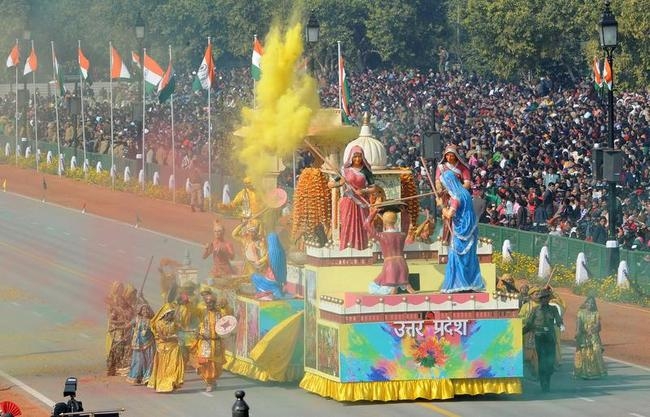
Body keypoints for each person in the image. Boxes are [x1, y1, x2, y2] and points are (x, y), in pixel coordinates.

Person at [438, 170, 485, 293]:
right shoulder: (465, 193)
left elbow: (449, 214)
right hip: (470, 229)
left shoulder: (456, 197)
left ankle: (458, 284)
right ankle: (470, 283)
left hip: (460, 232)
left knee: (456, 257)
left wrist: (441, 206)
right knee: (470, 258)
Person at [329, 145, 376, 250]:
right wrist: (340, 183)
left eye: (359, 156)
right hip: (348, 201)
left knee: (362, 225)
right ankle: (346, 248)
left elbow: (373, 188)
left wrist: (363, 190)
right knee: (348, 225)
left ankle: (362, 248)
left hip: (362, 203)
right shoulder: (344, 170)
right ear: (351, 157)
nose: (357, 159)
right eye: (355, 157)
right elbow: (330, 184)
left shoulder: (366, 171)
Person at [365, 205, 415, 295]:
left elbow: (366, 225)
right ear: (395, 221)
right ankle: (403, 287)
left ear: (384, 221)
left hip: (390, 266)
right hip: (402, 265)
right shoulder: (402, 234)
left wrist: (374, 213)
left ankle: (394, 289)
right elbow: (406, 224)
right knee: (395, 288)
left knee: (373, 288)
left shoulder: (382, 236)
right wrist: (404, 213)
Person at [523, 287, 565, 393]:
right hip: (539, 337)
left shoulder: (553, 309)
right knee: (542, 362)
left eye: (546, 298)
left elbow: (558, 319)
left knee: (550, 363)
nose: (544, 300)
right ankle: (544, 384)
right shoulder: (535, 310)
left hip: (550, 337)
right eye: (542, 298)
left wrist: (561, 325)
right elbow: (529, 324)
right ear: (540, 300)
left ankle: (547, 378)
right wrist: (520, 332)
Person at [194, 289, 232, 392]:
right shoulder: (202, 311)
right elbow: (193, 311)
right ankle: (209, 382)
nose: (209, 304)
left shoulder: (220, 312)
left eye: (211, 302)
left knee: (216, 365)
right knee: (206, 363)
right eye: (207, 302)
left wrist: (225, 305)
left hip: (217, 342)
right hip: (205, 342)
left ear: (214, 303)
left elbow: (229, 317)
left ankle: (213, 379)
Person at [435, 144, 471, 244]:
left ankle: (458, 238)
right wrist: (439, 189)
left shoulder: (463, 168)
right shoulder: (441, 167)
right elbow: (438, 181)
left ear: (456, 155)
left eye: (451, 155)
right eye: (447, 155)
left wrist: (455, 190)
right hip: (446, 195)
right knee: (446, 217)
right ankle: (446, 238)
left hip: (457, 195)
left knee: (455, 216)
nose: (449, 158)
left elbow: (467, 183)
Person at [147, 303, 184, 393]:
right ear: (165, 314)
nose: (172, 315)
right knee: (164, 368)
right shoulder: (158, 324)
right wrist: (175, 336)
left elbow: (183, 329)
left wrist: (193, 331)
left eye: (173, 313)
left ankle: (171, 383)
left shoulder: (174, 322)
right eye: (171, 314)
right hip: (163, 348)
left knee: (175, 366)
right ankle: (163, 385)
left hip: (174, 348)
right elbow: (163, 338)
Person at [574, 296, 607, 379]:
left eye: (592, 303)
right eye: (588, 303)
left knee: (596, 351)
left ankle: (597, 373)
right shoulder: (580, 312)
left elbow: (599, 326)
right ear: (585, 304)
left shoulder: (596, 313)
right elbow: (578, 324)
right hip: (583, 335)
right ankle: (582, 373)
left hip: (593, 336)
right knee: (583, 353)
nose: (590, 305)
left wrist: (593, 329)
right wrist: (578, 332)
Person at [251, 232, 290, 300]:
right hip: (279, 281)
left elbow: (258, 263)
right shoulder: (282, 251)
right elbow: (284, 267)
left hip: (270, 280)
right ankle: (270, 292)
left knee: (254, 277)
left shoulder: (270, 253)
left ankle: (265, 292)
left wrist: (254, 252)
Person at [126, 303, 155, 385]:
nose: (145, 311)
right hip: (138, 344)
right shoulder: (137, 319)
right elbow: (128, 326)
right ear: (140, 311)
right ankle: (136, 377)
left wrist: (145, 300)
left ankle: (147, 378)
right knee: (138, 361)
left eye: (146, 309)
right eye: (143, 309)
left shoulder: (151, 320)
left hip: (149, 343)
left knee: (149, 361)